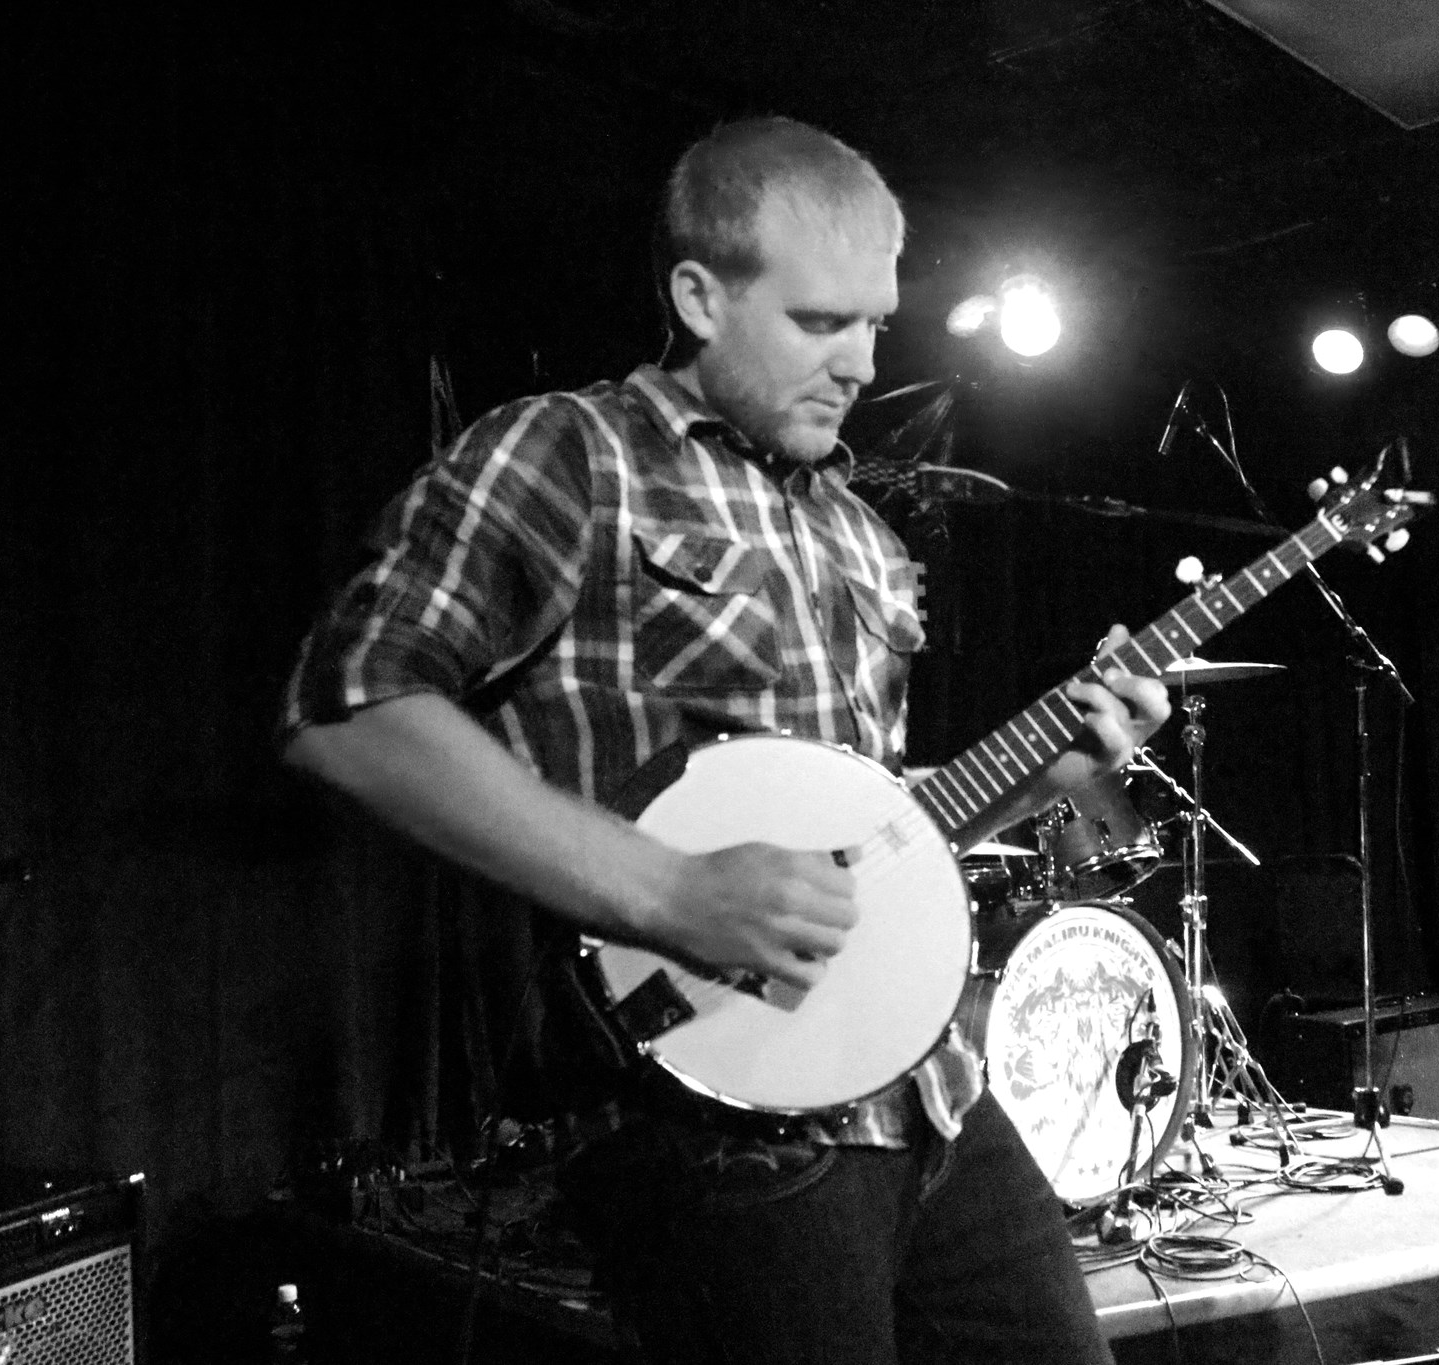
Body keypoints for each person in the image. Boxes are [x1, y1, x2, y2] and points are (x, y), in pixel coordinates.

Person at [280, 116, 1168, 1363]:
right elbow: (349, 710)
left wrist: (1049, 778)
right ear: (698, 295)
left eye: (876, 324)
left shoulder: (862, 533)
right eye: (819, 323)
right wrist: (674, 891)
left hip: (933, 1096)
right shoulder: (569, 455)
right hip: (711, 1124)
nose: (861, 363)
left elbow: (868, 830)